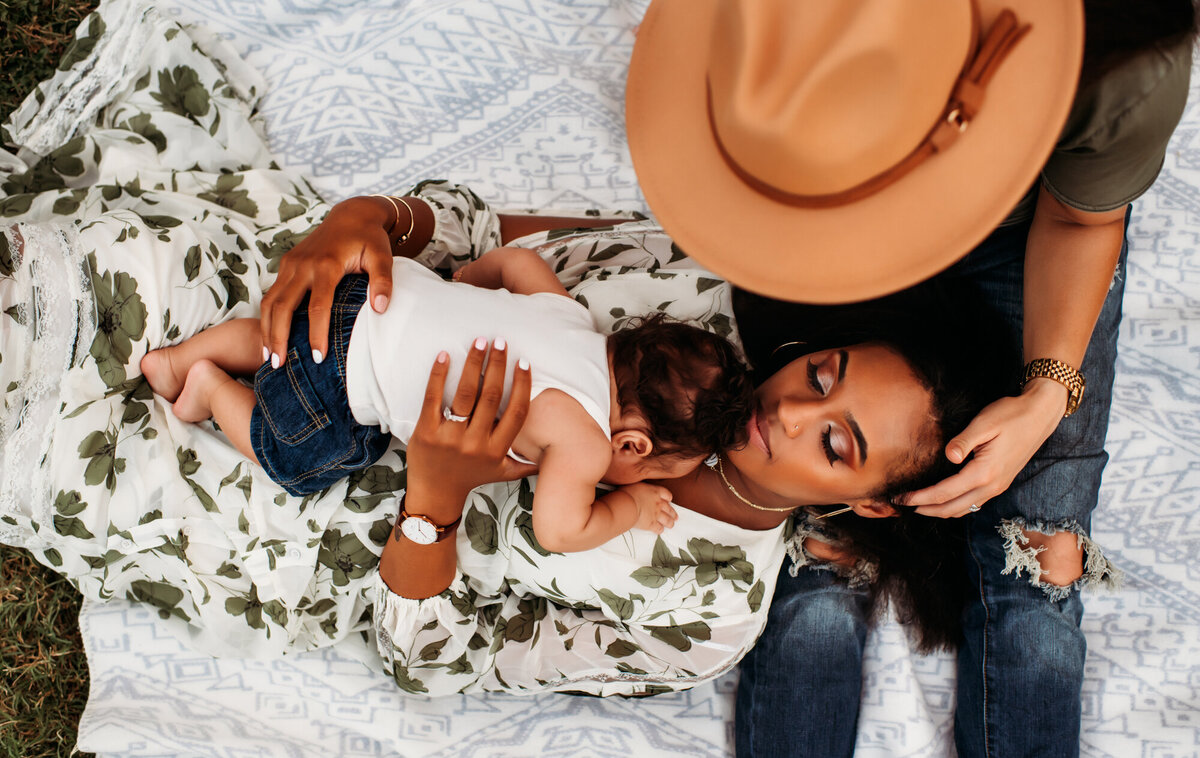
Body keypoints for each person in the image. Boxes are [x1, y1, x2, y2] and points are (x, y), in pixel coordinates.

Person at [0, 1, 1012, 699]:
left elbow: (433, 663)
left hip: (286, 515)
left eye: (834, 443)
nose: (790, 408)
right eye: (822, 373)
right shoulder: (691, 296)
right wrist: (369, 218)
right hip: (327, 315)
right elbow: (486, 233)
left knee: (53, 421)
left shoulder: (705, 615)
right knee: (115, 256)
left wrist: (436, 500)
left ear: (869, 501)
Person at [618, 0, 1196, 755]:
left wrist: (1047, 394)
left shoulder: (1128, 60)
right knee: (824, 542)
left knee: (1040, 556)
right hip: (833, 204)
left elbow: (1083, 220)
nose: (790, 412)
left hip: (1025, 241)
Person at [141, 241, 754, 552]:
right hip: (346, 384)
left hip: (370, 293)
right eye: (652, 468)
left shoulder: (568, 316)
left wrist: (467, 283)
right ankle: (210, 390)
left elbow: (515, 260)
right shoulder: (587, 443)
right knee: (298, 456)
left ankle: (179, 356)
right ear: (634, 444)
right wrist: (632, 509)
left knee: (281, 340)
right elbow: (559, 531)